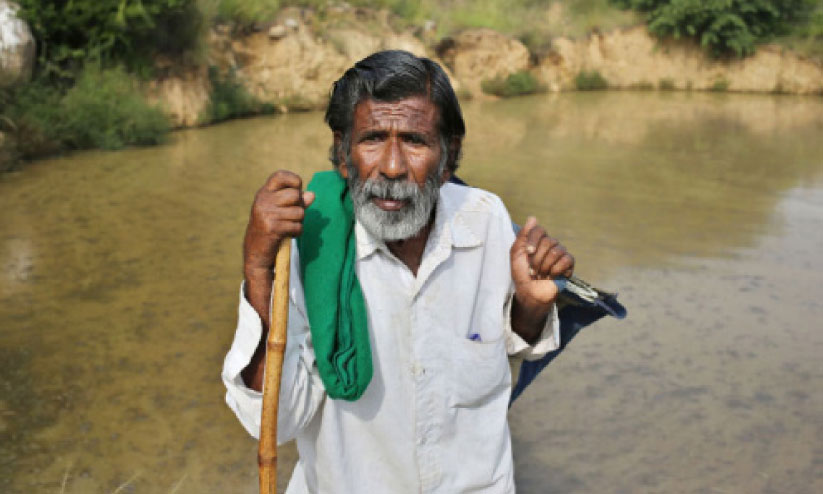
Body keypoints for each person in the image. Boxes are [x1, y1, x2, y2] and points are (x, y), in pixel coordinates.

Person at [222, 50, 575, 493]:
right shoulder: (311, 243)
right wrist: (257, 267)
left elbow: (511, 348)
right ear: (342, 152)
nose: (391, 167)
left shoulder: (485, 220)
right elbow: (271, 422)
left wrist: (530, 305)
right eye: (371, 139)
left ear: (450, 156)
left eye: (414, 141)